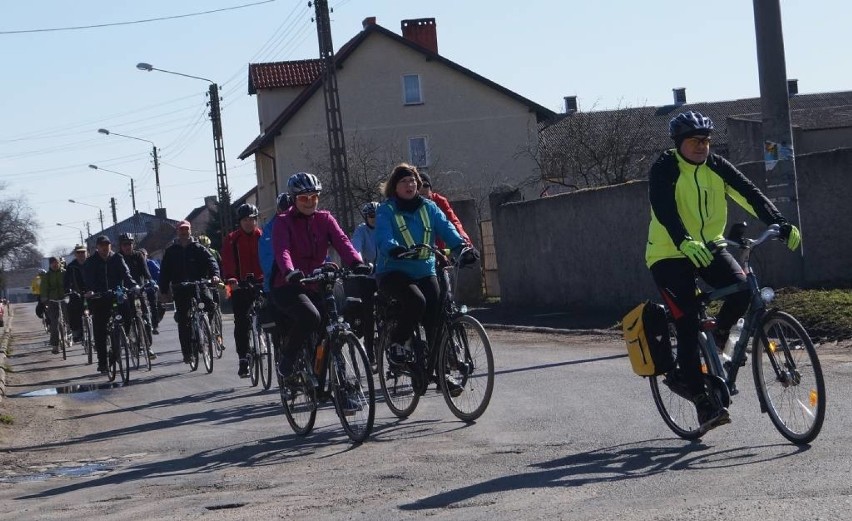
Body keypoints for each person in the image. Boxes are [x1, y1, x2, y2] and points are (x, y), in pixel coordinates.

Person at [646, 110, 802, 433]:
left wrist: (780, 222)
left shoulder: (715, 166)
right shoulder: (665, 168)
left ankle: (718, 337)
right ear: (679, 144)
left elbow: (749, 193)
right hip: (668, 254)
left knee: (743, 289)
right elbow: (663, 208)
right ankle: (703, 404)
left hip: (709, 247)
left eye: (705, 140)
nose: (702, 147)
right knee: (687, 321)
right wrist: (683, 240)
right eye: (694, 141)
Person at [374, 163, 480, 395]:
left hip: (424, 270)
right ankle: (397, 342)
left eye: (412, 181)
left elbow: (447, 228)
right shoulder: (386, 210)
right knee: (416, 301)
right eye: (404, 181)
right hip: (393, 271)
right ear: (395, 187)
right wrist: (393, 248)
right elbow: (382, 235)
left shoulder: (429, 207)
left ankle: (442, 375)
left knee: (437, 314)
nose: (410, 184)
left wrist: (462, 248)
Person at [271, 172, 370, 382]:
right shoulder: (283, 222)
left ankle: (338, 382)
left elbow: (342, 242)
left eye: (314, 197)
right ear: (294, 199)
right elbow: (282, 250)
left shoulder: (325, 218)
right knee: (310, 317)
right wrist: (289, 271)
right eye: (304, 198)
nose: (310, 202)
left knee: (333, 326)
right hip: (288, 284)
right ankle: (288, 357)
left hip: (317, 282)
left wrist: (356, 263)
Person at [159, 220, 221, 364]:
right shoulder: (171, 251)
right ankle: (188, 353)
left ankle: (205, 328)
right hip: (180, 288)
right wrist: (163, 289)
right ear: (178, 232)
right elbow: (164, 272)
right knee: (183, 321)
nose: (184, 232)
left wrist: (215, 275)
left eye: (186, 229)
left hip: (198, 285)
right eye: (181, 230)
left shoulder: (198, 248)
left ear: (190, 231)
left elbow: (211, 261)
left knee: (210, 305)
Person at [82, 235, 137, 373]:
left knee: (128, 315)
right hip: (99, 298)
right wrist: (91, 291)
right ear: (97, 247)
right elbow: (89, 280)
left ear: (110, 246)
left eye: (107, 245)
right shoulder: (91, 261)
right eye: (102, 245)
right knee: (100, 329)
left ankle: (121, 342)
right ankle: (102, 362)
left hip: (116, 295)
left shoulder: (117, 258)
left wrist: (133, 285)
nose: (105, 247)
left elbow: (126, 274)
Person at [222, 203, 264, 378]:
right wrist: (231, 278)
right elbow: (227, 261)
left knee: (275, 314)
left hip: (262, 282)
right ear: (240, 221)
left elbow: (270, 256)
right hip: (239, 285)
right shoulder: (232, 239)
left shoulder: (262, 236)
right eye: (246, 220)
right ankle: (243, 359)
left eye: (252, 219)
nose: (249, 223)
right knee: (241, 321)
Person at [117, 233, 157, 359]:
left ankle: (148, 347)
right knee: (128, 317)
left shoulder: (138, 255)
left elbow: (145, 272)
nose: (128, 246)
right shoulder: (117, 258)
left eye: (130, 244)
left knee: (145, 319)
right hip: (125, 292)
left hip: (139, 291)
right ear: (121, 246)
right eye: (125, 244)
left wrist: (150, 281)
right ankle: (131, 339)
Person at [349, 202, 379, 365]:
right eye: (371, 216)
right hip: (367, 275)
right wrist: (360, 263)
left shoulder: (385, 227)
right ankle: (370, 353)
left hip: (384, 274)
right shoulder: (361, 230)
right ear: (366, 217)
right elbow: (356, 248)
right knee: (368, 314)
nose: (375, 219)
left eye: (377, 216)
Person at [418, 172, 472, 248]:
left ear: (430, 188)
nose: (422, 188)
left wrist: (465, 240)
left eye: (425, 185)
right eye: (419, 185)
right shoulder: (410, 204)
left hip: (438, 248)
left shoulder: (439, 201)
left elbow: (453, 221)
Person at [40, 257, 67, 353]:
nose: (55, 265)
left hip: (64, 299)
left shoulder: (65, 273)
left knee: (68, 317)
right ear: (50, 265)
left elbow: (70, 283)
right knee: (54, 323)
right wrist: (45, 300)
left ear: (59, 263)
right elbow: (43, 289)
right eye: (53, 263)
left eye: (56, 263)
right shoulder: (47, 276)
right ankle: (55, 345)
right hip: (52, 301)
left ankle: (70, 333)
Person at [63, 244, 88, 342]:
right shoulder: (71, 266)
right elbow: (66, 281)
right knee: (72, 308)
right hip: (77, 293)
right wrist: (68, 290)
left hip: (92, 292)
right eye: (79, 252)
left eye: (83, 252)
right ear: (75, 254)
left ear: (87, 252)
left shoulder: (92, 263)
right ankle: (76, 332)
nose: (81, 254)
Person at [139, 248, 164, 334]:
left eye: (143, 255)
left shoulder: (150, 263)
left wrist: (157, 284)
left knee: (153, 306)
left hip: (151, 288)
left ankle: (155, 326)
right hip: (140, 289)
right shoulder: (136, 264)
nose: (142, 257)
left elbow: (158, 274)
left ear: (146, 255)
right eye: (140, 255)